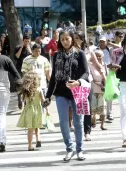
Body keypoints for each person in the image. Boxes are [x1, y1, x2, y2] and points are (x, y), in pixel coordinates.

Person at [44, 30, 89, 161]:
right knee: (64, 122)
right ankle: (69, 148)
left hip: (77, 91)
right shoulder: (57, 55)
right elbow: (53, 77)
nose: (64, 42)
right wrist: (48, 96)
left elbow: (86, 72)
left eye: (67, 39)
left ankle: (80, 150)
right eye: (62, 39)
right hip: (61, 93)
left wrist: (78, 82)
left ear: (72, 39)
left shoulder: (79, 53)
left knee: (78, 122)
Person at [16, 72, 44, 151]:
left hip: (28, 111)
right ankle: (38, 139)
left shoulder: (26, 91)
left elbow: (22, 100)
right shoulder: (39, 90)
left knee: (30, 129)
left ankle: (30, 145)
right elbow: (43, 101)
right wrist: (47, 110)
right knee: (37, 125)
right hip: (37, 110)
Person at [15, 35, 32, 109]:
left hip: (28, 70)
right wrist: (21, 48)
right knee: (19, 85)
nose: (27, 43)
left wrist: (30, 51)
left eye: (28, 41)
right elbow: (16, 57)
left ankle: (25, 101)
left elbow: (33, 57)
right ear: (23, 41)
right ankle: (19, 99)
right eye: (25, 41)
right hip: (19, 69)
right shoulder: (18, 47)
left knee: (26, 85)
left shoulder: (30, 48)